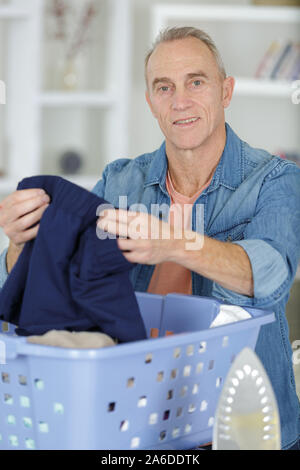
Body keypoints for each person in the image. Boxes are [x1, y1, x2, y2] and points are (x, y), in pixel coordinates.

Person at [0, 26, 299, 450]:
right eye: (164, 87)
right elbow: (57, 286)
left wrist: (174, 243)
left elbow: (270, 276)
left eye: (196, 82)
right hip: (138, 420)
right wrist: (20, 244)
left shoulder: (276, 181)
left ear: (226, 91)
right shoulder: (121, 180)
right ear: (150, 102)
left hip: (238, 429)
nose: (180, 100)